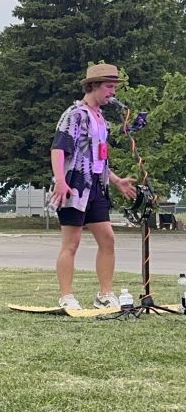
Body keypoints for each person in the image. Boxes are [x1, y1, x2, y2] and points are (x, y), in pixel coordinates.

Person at [49, 63, 136, 310]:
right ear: (94, 86)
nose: (113, 92)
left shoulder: (101, 119)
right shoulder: (74, 114)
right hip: (74, 187)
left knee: (107, 239)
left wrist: (117, 181)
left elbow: (98, 159)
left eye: (114, 87)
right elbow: (58, 149)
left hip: (96, 189)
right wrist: (60, 180)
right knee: (71, 242)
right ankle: (66, 296)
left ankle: (105, 294)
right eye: (109, 87)